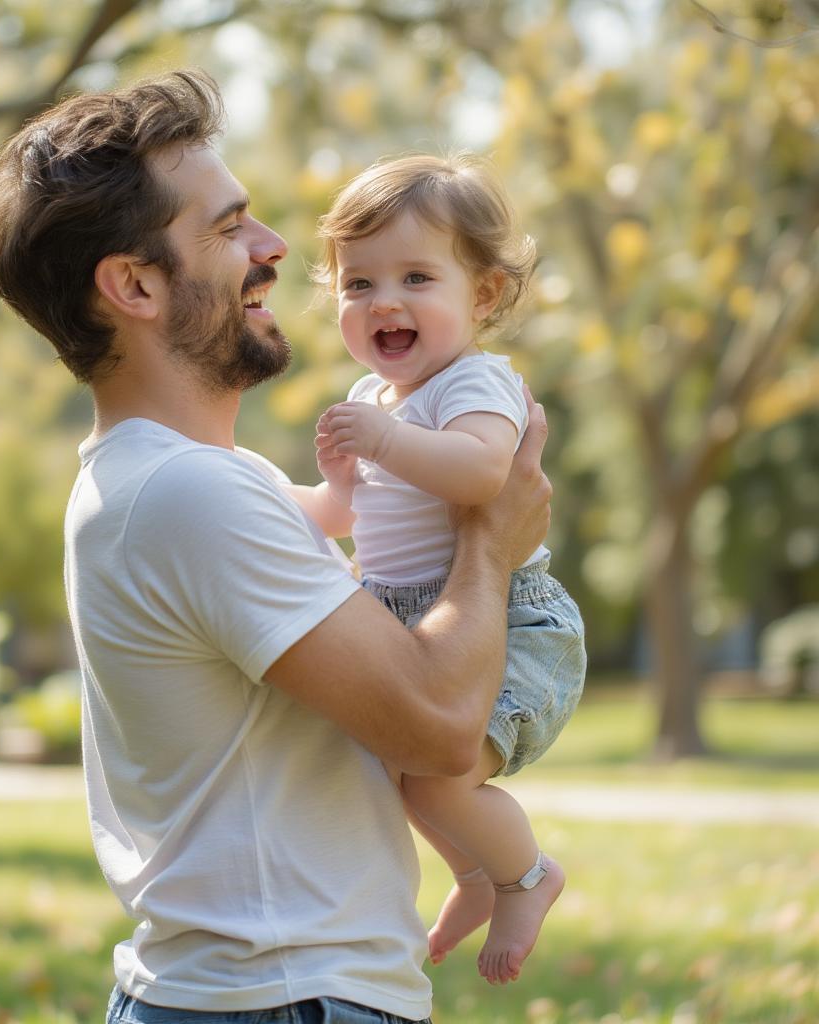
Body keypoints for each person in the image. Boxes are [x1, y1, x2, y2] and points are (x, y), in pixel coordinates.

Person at [0, 69, 551, 1024]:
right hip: (279, 998)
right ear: (137, 285)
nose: (275, 248)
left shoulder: (166, 480)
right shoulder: (188, 494)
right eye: (230, 227)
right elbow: (443, 726)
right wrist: (492, 543)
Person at [288, 155, 586, 985]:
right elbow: (343, 517)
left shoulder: (473, 383)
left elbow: (486, 476)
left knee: (440, 777)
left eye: (417, 277)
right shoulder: (374, 397)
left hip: (510, 621)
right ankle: (473, 875)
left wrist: (385, 443)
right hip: (412, 617)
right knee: (412, 783)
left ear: (482, 296)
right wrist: (279, 497)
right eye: (358, 284)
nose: (384, 302)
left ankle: (528, 875)